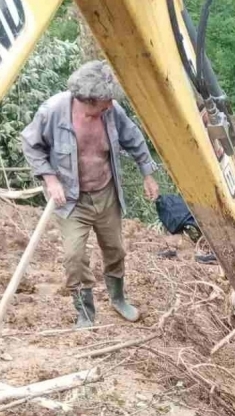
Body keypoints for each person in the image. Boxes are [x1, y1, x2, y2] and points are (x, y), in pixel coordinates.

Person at [21, 60, 159, 328]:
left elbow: (134, 138)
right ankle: (85, 312)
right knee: (74, 257)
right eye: (104, 102)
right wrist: (50, 179)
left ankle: (118, 298)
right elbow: (31, 145)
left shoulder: (111, 111)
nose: (109, 105)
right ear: (88, 99)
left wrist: (148, 174)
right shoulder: (52, 112)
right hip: (72, 199)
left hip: (106, 193)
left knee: (115, 249)